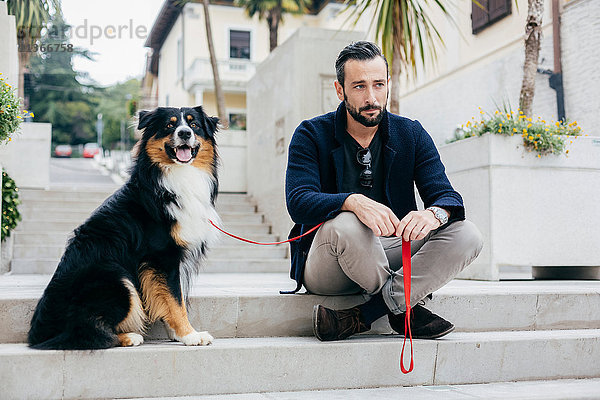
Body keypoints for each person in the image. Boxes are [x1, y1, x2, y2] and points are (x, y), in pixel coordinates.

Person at [284, 41, 484, 341]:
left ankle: (366, 314)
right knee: (348, 222)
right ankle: (405, 307)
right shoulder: (311, 134)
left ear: (388, 84)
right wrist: (352, 202)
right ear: (340, 91)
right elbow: (298, 201)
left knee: (467, 233)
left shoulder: (410, 134)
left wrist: (434, 214)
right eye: (359, 86)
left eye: (378, 85)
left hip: (388, 251)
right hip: (329, 262)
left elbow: (447, 196)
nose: (371, 97)